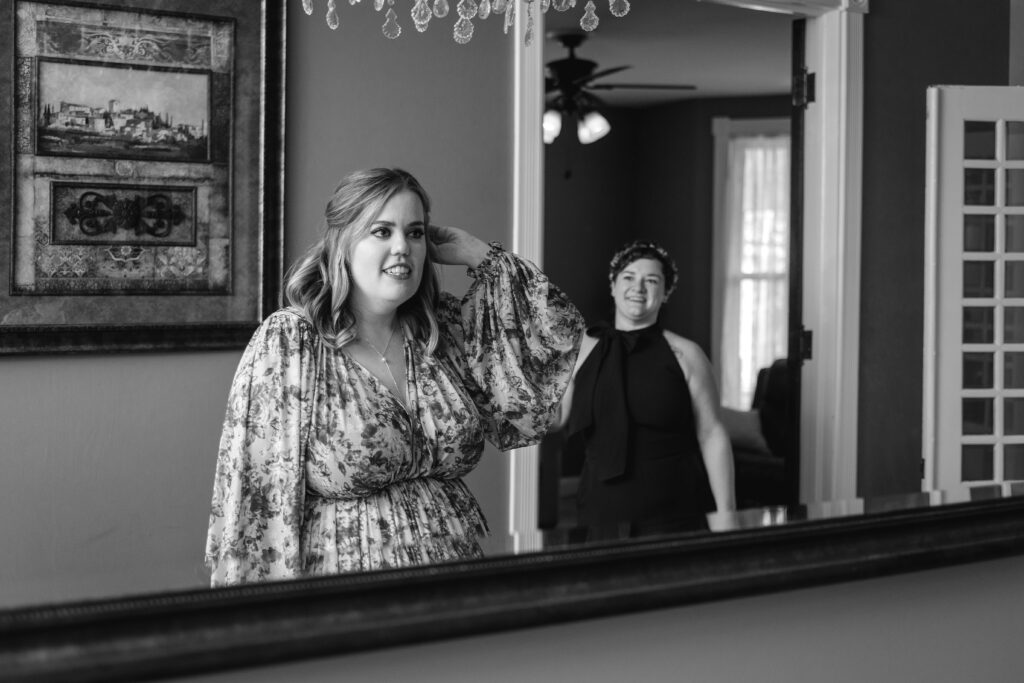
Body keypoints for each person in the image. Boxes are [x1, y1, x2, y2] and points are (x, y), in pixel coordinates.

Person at [205, 167, 584, 586]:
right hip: (348, 595)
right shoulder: (292, 341)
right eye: (382, 232)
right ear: (343, 242)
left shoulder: (443, 331)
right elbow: (256, 501)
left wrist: (481, 255)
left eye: (416, 232)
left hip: (460, 582)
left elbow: (553, 338)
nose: (403, 247)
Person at [559, 240, 735, 537]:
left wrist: (726, 514)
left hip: (675, 506)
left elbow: (712, 434)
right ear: (613, 286)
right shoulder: (579, 351)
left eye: (651, 280)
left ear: (665, 293)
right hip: (601, 505)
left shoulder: (686, 354)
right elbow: (556, 418)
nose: (638, 287)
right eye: (628, 277)